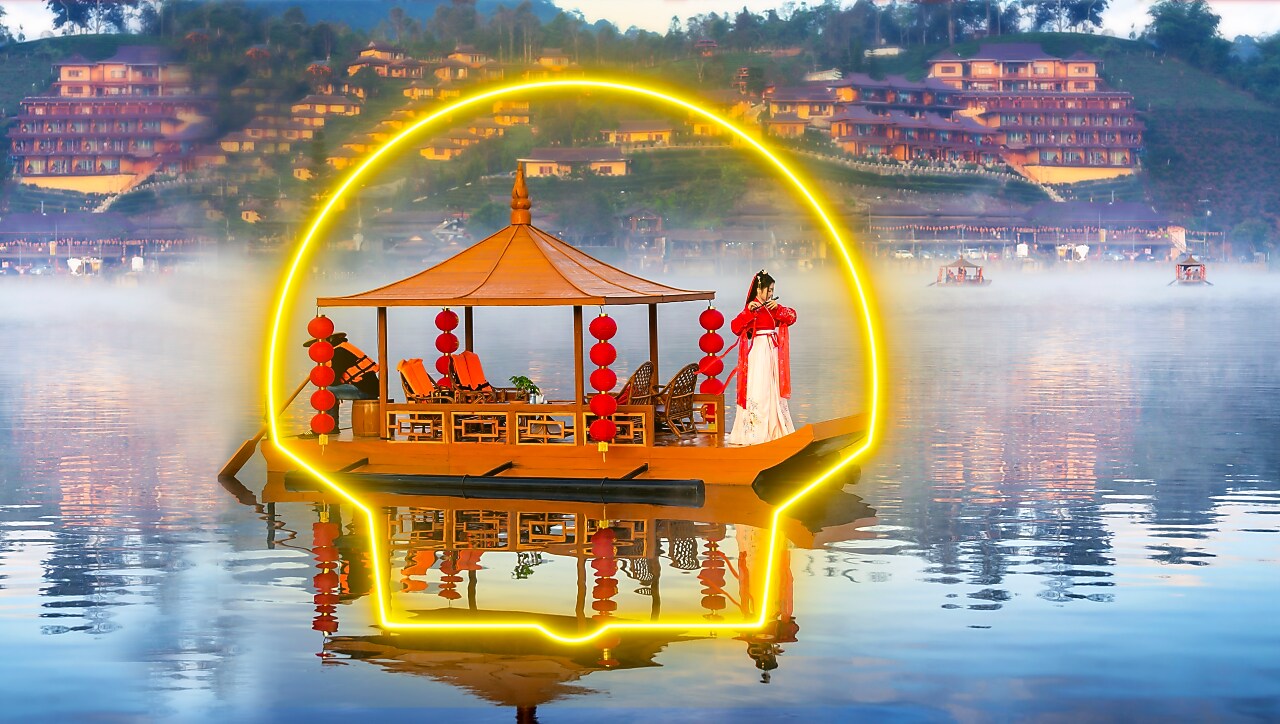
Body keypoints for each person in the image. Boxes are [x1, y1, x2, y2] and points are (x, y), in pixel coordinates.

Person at [727, 270, 797, 446]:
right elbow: (735, 327)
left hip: (772, 351)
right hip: (759, 352)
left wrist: (779, 309)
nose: (772, 294)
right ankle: (754, 433)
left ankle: (776, 430)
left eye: (773, 290)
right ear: (759, 289)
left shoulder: (773, 308)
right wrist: (748, 313)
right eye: (769, 290)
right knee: (759, 389)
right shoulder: (752, 308)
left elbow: (792, 317)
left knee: (773, 389)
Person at [303, 331, 380, 429]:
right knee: (328, 390)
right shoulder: (343, 348)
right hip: (365, 388)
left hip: (365, 390)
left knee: (326, 392)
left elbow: (333, 380)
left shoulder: (339, 352)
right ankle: (331, 425)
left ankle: (329, 427)